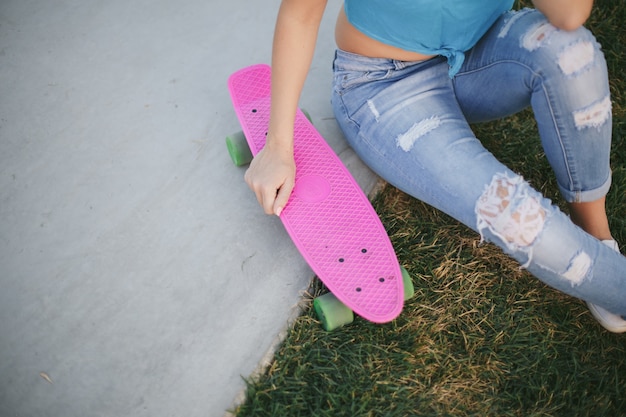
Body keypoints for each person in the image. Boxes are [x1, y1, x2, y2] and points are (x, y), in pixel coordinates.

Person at [244, 0, 626, 333]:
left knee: (574, 54)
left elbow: (571, 13)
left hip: (479, 53)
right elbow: (300, 14)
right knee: (508, 209)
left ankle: (596, 232)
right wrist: (278, 144)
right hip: (383, 84)